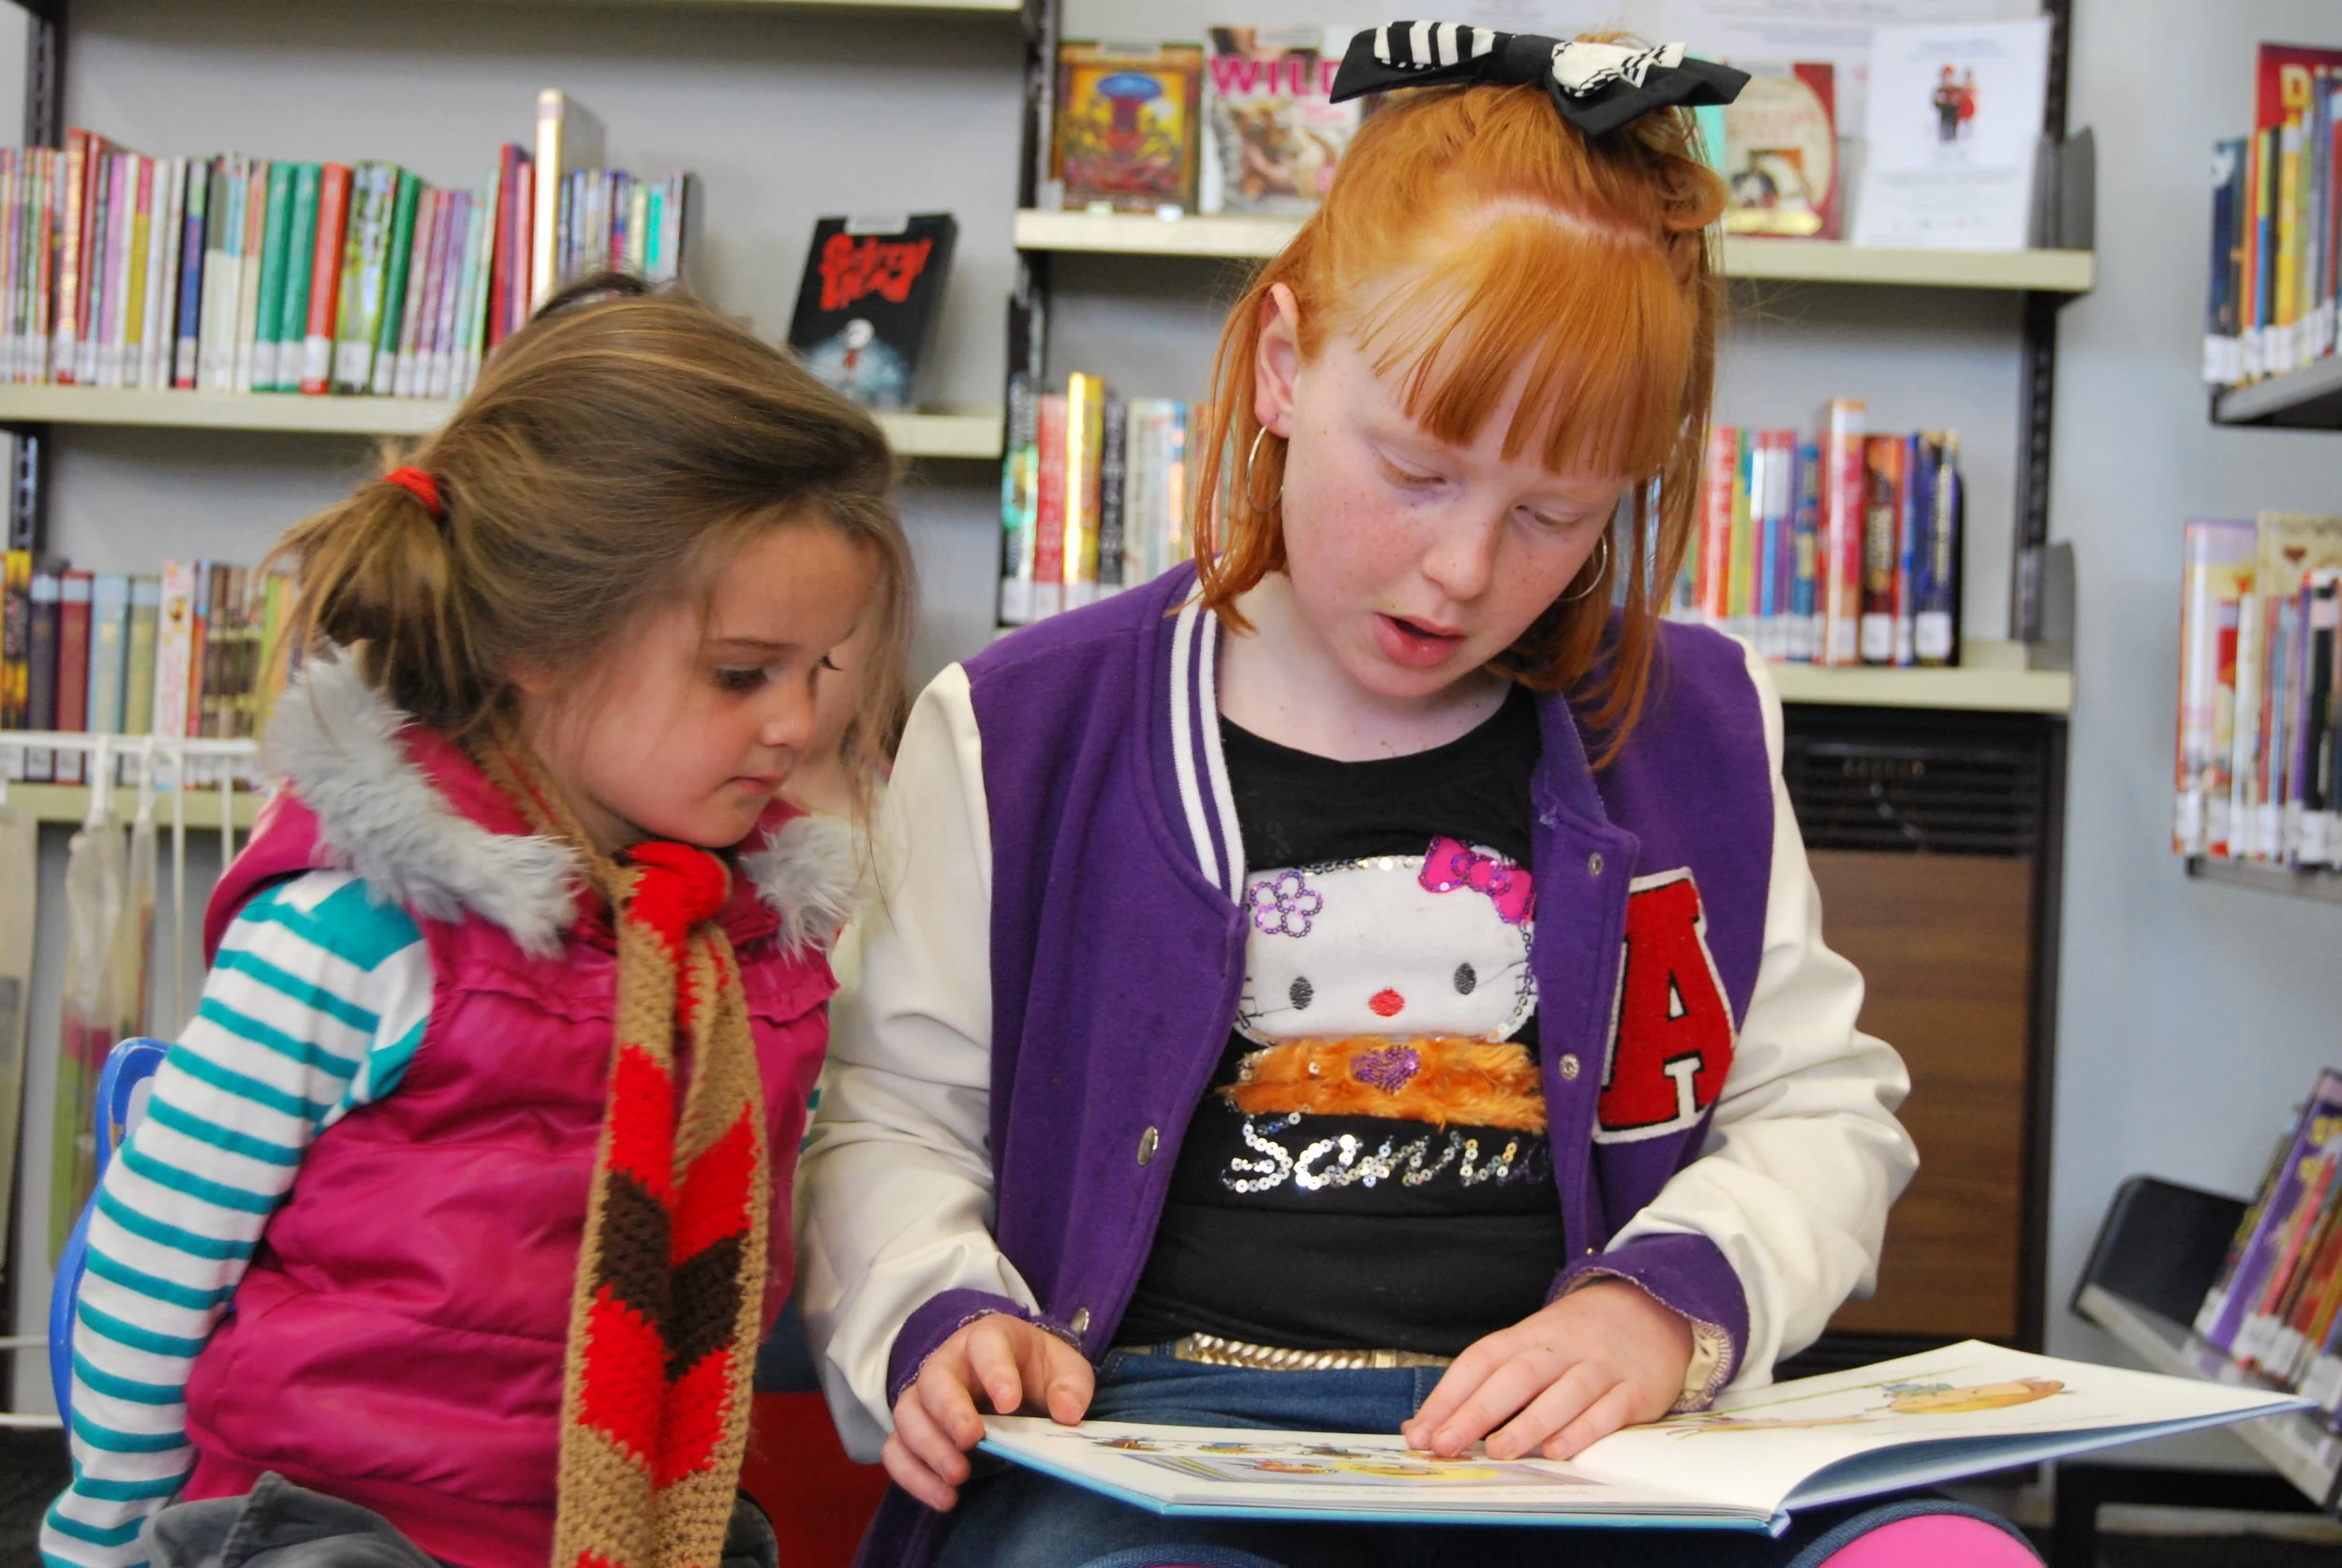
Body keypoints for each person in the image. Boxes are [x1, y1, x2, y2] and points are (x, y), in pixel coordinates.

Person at [799, 23, 1922, 1568]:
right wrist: (937, 1309)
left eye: (1553, 513)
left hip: (1578, 1456)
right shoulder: (1015, 730)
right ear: (1282, 365)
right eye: (1415, 469)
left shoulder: (1696, 728)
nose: (1467, 569)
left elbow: (1819, 1104)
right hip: (1146, 1448)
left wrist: (1666, 1303)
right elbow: (890, 1118)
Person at [41, 277, 914, 1568]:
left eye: (820, 669)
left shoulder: (747, 956)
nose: (795, 723)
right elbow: (147, 1269)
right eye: (741, 674)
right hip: (331, 1530)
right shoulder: (356, 934)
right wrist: (110, 1537)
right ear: (538, 645)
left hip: (637, 1526)